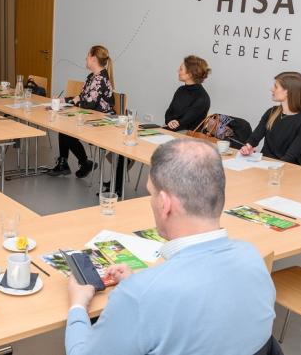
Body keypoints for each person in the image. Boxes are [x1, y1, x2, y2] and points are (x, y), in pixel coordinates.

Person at [65, 139, 275, 355]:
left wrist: (78, 305)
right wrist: (140, 284)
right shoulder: (251, 256)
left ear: (164, 204)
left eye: (151, 193)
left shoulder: (139, 296)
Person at [48, 45, 114, 178]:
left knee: (67, 131)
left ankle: (81, 163)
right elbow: (82, 98)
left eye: (88, 56)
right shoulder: (92, 77)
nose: (85, 58)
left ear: (93, 59)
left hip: (101, 121)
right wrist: (63, 100)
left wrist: (76, 100)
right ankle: (67, 163)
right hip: (90, 116)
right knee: (64, 128)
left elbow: (88, 104)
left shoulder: (100, 79)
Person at [240, 71, 301, 166]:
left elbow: (290, 157)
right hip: (265, 166)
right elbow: (254, 138)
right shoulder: (272, 112)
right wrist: (247, 147)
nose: (272, 89)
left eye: (276, 86)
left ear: (288, 91)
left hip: (288, 171)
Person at [164, 55, 211, 131]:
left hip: (187, 135)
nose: (178, 71)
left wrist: (171, 124)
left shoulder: (202, 98)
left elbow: (185, 122)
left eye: (181, 69)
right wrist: (169, 121)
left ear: (190, 74)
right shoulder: (180, 90)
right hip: (172, 129)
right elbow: (169, 111)